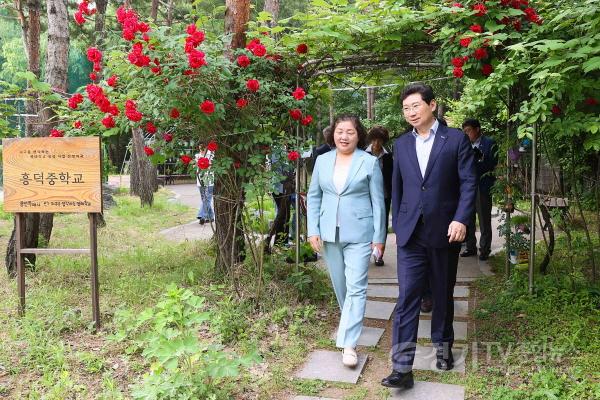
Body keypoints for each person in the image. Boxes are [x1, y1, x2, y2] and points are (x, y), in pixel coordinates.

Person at [382, 83, 476, 389]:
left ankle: (443, 345)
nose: (410, 112)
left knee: (441, 292)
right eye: (406, 108)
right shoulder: (401, 145)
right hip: (411, 233)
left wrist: (461, 218)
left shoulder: (456, 140)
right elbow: (397, 188)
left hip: (445, 230)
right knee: (408, 297)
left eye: (415, 106)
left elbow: (468, 183)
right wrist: (398, 223)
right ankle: (402, 368)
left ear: (432, 105)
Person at [307, 114, 386, 368]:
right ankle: (350, 321)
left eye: (350, 132)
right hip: (329, 232)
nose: (344, 136)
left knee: (356, 287)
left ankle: (349, 343)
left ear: (358, 135)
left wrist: (379, 236)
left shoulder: (369, 162)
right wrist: (312, 230)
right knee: (341, 286)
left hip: (360, 234)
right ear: (333, 134)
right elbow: (314, 197)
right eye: (340, 131)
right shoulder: (322, 161)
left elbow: (379, 202)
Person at [461, 119, 498, 261]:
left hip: (482, 185)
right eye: (464, 131)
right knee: (468, 218)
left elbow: (493, 164)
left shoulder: (489, 143)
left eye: (468, 130)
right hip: (467, 187)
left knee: (483, 219)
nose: (466, 134)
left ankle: (484, 249)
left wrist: (481, 157)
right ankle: (470, 247)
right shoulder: (464, 144)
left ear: (477, 129)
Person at [365, 126, 394, 266]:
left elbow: (392, 177)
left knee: (382, 223)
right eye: (374, 140)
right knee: (367, 225)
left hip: (384, 195)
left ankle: (379, 255)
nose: (376, 143)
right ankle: (365, 252)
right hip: (366, 197)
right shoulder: (363, 155)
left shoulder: (388, 156)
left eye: (380, 140)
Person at [195, 143, 215, 224]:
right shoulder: (197, 156)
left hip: (210, 180)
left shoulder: (211, 155)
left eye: (203, 147)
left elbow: (212, 165)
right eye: (200, 148)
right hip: (200, 180)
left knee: (207, 198)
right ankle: (210, 216)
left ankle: (201, 215)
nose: (202, 149)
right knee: (204, 200)